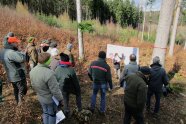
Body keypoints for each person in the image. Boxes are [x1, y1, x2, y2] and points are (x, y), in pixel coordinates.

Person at [30, 52, 63, 124]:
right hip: (50, 99)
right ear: (47, 61)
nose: (52, 60)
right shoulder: (49, 73)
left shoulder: (32, 71)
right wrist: (60, 99)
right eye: (50, 59)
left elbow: (32, 84)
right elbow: (55, 90)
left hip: (40, 97)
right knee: (52, 114)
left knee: (45, 112)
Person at [0, 36, 27, 105]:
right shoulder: (11, 52)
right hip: (17, 75)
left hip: (10, 75)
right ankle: (21, 106)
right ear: (12, 43)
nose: (17, 44)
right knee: (22, 90)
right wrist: (22, 52)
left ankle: (18, 102)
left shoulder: (2, 51)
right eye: (16, 43)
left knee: (16, 89)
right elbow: (22, 59)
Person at [55, 53, 82, 117]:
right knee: (78, 94)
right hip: (71, 87)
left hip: (62, 87)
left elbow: (56, 80)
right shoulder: (70, 69)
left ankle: (66, 111)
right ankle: (79, 108)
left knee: (65, 98)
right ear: (68, 61)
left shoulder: (57, 69)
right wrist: (78, 89)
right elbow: (75, 81)